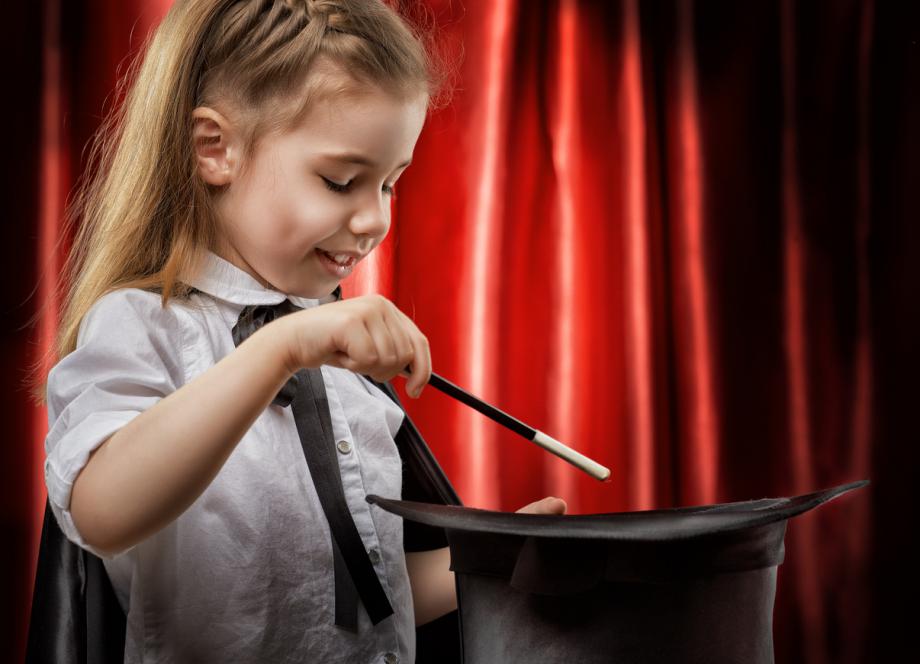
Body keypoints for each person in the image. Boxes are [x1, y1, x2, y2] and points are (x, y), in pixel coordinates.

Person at [35, 1, 566, 662]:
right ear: (215, 149)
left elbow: (365, 599)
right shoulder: (142, 325)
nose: (375, 220)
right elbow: (100, 513)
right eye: (341, 181)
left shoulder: (342, 370)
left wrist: (498, 560)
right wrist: (281, 349)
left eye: (390, 185)